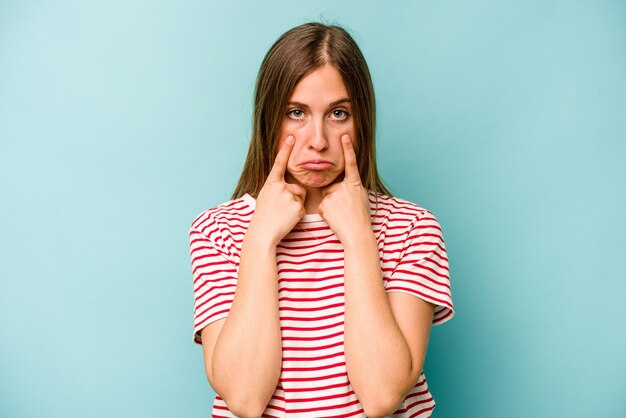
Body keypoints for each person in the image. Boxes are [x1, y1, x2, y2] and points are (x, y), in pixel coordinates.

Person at [189, 22, 454, 418]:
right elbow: (244, 398)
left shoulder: (412, 228)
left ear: (361, 120)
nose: (318, 139)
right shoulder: (218, 231)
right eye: (296, 112)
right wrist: (260, 239)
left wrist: (358, 236)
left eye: (338, 113)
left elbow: (382, 396)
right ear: (269, 120)